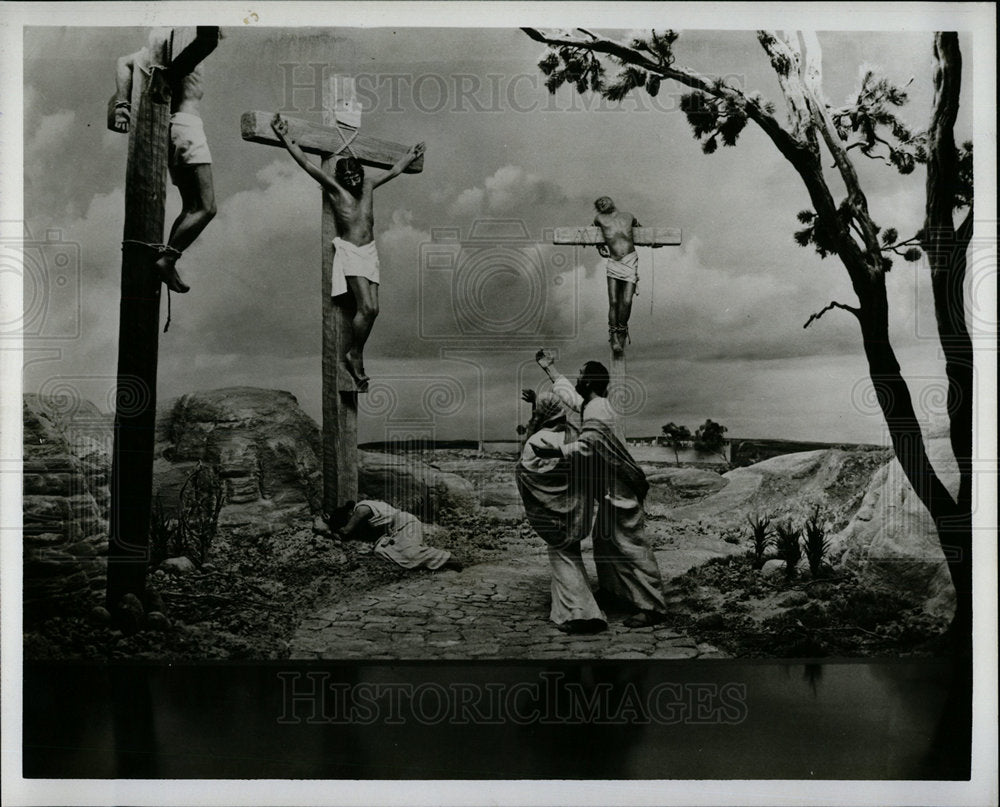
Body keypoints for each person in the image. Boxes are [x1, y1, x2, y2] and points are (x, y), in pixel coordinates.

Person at [271, 112, 424, 390]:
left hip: (370, 251)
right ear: (341, 177)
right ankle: (355, 354)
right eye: (348, 175)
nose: (353, 179)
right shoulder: (335, 190)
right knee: (365, 306)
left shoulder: (368, 186)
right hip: (351, 252)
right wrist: (285, 136)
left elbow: (393, 171)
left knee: (374, 309)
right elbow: (306, 164)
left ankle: (356, 352)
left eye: (356, 174)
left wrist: (410, 155)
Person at [532, 349, 668, 628]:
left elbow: (588, 446)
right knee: (605, 542)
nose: (578, 379)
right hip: (609, 489)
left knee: (630, 544)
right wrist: (550, 369)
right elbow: (570, 397)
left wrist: (555, 451)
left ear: (590, 382)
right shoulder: (593, 405)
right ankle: (614, 593)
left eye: (581, 376)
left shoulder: (598, 409)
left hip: (620, 490)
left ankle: (653, 606)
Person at [114, 28, 221, 294]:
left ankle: (167, 259)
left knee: (191, 207)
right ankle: (169, 258)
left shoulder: (157, 48)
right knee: (207, 207)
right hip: (187, 126)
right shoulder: (179, 39)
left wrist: (121, 104)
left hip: (170, 129)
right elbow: (210, 32)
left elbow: (122, 62)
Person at [515, 392, 607, 635]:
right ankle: (575, 608)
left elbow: (526, 472)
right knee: (571, 557)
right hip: (577, 512)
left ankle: (581, 614)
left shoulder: (538, 439)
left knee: (563, 560)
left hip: (553, 515)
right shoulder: (574, 435)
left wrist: (535, 413)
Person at [327, 499, 463, 572]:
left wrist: (326, 530)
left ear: (349, 513)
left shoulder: (361, 508)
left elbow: (346, 531)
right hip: (396, 530)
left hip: (404, 522)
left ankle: (446, 558)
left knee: (410, 553)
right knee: (381, 550)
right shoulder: (365, 511)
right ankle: (428, 561)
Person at [591, 196, 645, 355]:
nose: (602, 202)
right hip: (614, 262)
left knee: (627, 301)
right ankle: (614, 334)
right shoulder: (599, 219)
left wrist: (655, 241)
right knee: (614, 301)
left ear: (612, 201)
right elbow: (590, 233)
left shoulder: (629, 216)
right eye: (599, 203)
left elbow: (643, 232)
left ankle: (622, 329)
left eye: (604, 200)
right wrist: (599, 246)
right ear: (598, 209)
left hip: (630, 260)